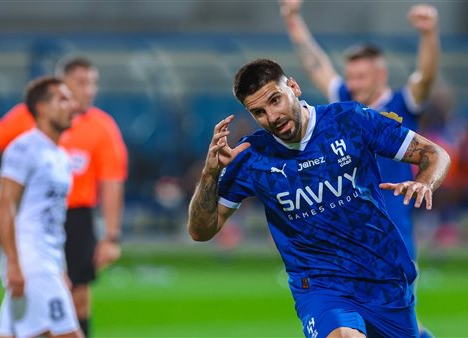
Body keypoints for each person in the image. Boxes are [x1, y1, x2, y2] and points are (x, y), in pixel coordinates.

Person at [188, 59, 450, 338]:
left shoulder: (350, 121)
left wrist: (424, 183)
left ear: (293, 87)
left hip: (382, 277)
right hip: (320, 285)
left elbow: (434, 154)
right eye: (259, 112)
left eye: (276, 100)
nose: (272, 116)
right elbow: (201, 230)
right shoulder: (251, 157)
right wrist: (210, 174)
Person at [0, 57, 128, 337]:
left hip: (67, 230)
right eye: (78, 85)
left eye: (92, 83)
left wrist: (108, 237)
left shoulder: (72, 147)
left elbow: (111, 182)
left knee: (23, 329)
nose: (87, 92)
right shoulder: (25, 144)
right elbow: (2, 200)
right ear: (46, 103)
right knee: (66, 328)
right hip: (33, 255)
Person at [0, 76, 81, 337]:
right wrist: (13, 263)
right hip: (31, 263)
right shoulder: (23, 148)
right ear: (41, 108)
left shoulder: (61, 157)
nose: (72, 105)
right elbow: (3, 205)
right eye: (63, 99)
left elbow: (53, 218)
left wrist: (60, 267)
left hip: (47, 261)